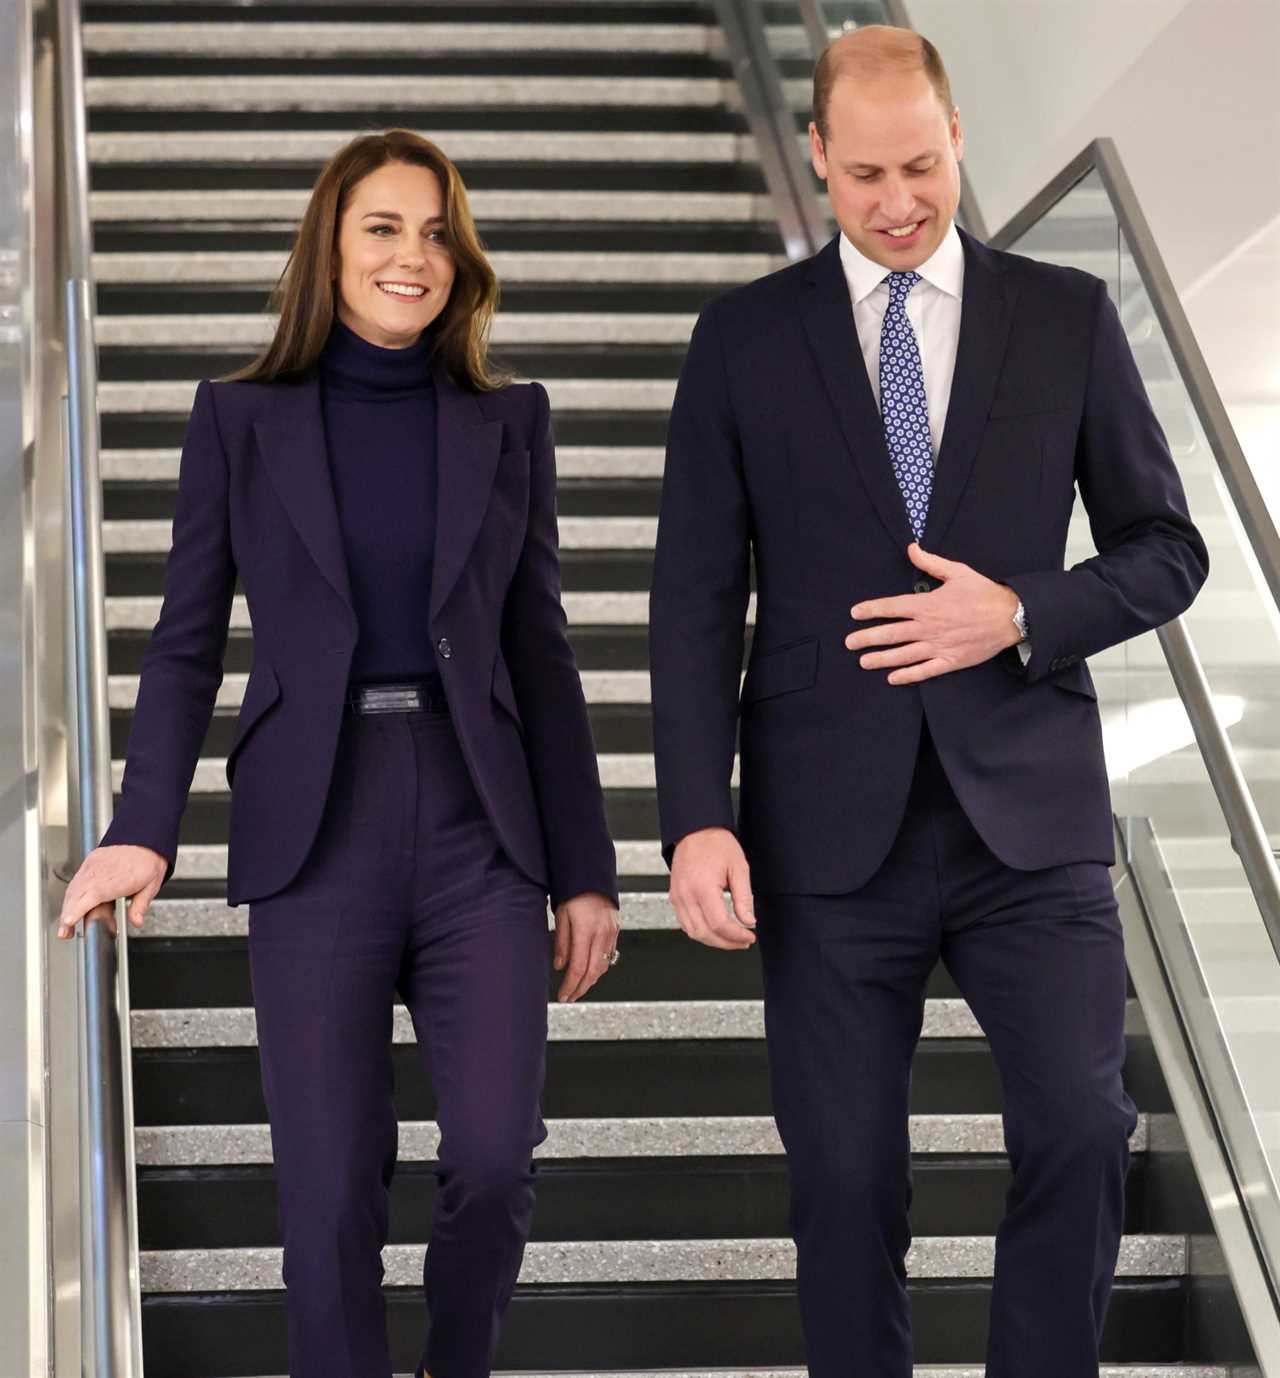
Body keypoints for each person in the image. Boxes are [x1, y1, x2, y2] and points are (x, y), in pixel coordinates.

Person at [649, 25, 1207, 1378]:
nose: (898, 203)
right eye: (863, 177)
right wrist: (694, 821)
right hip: (826, 831)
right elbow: (693, 598)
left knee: (1081, 1131)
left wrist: (1016, 609)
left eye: (921, 166)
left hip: (1033, 817)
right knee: (845, 1181)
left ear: (957, 138)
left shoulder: (1065, 316)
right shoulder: (741, 342)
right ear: (822, 163)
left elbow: (1166, 549)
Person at [57, 128, 620, 1378]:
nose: (410, 255)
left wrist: (585, 868)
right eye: (382, 227)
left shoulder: (507, 421)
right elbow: (186, 643)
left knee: (492, 1148)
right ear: (329, 243)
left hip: (482, 824)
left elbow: (543, 652)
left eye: (433, 232)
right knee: (325, 1190)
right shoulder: (239, 419)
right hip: (316, 831)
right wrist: (140, 826)